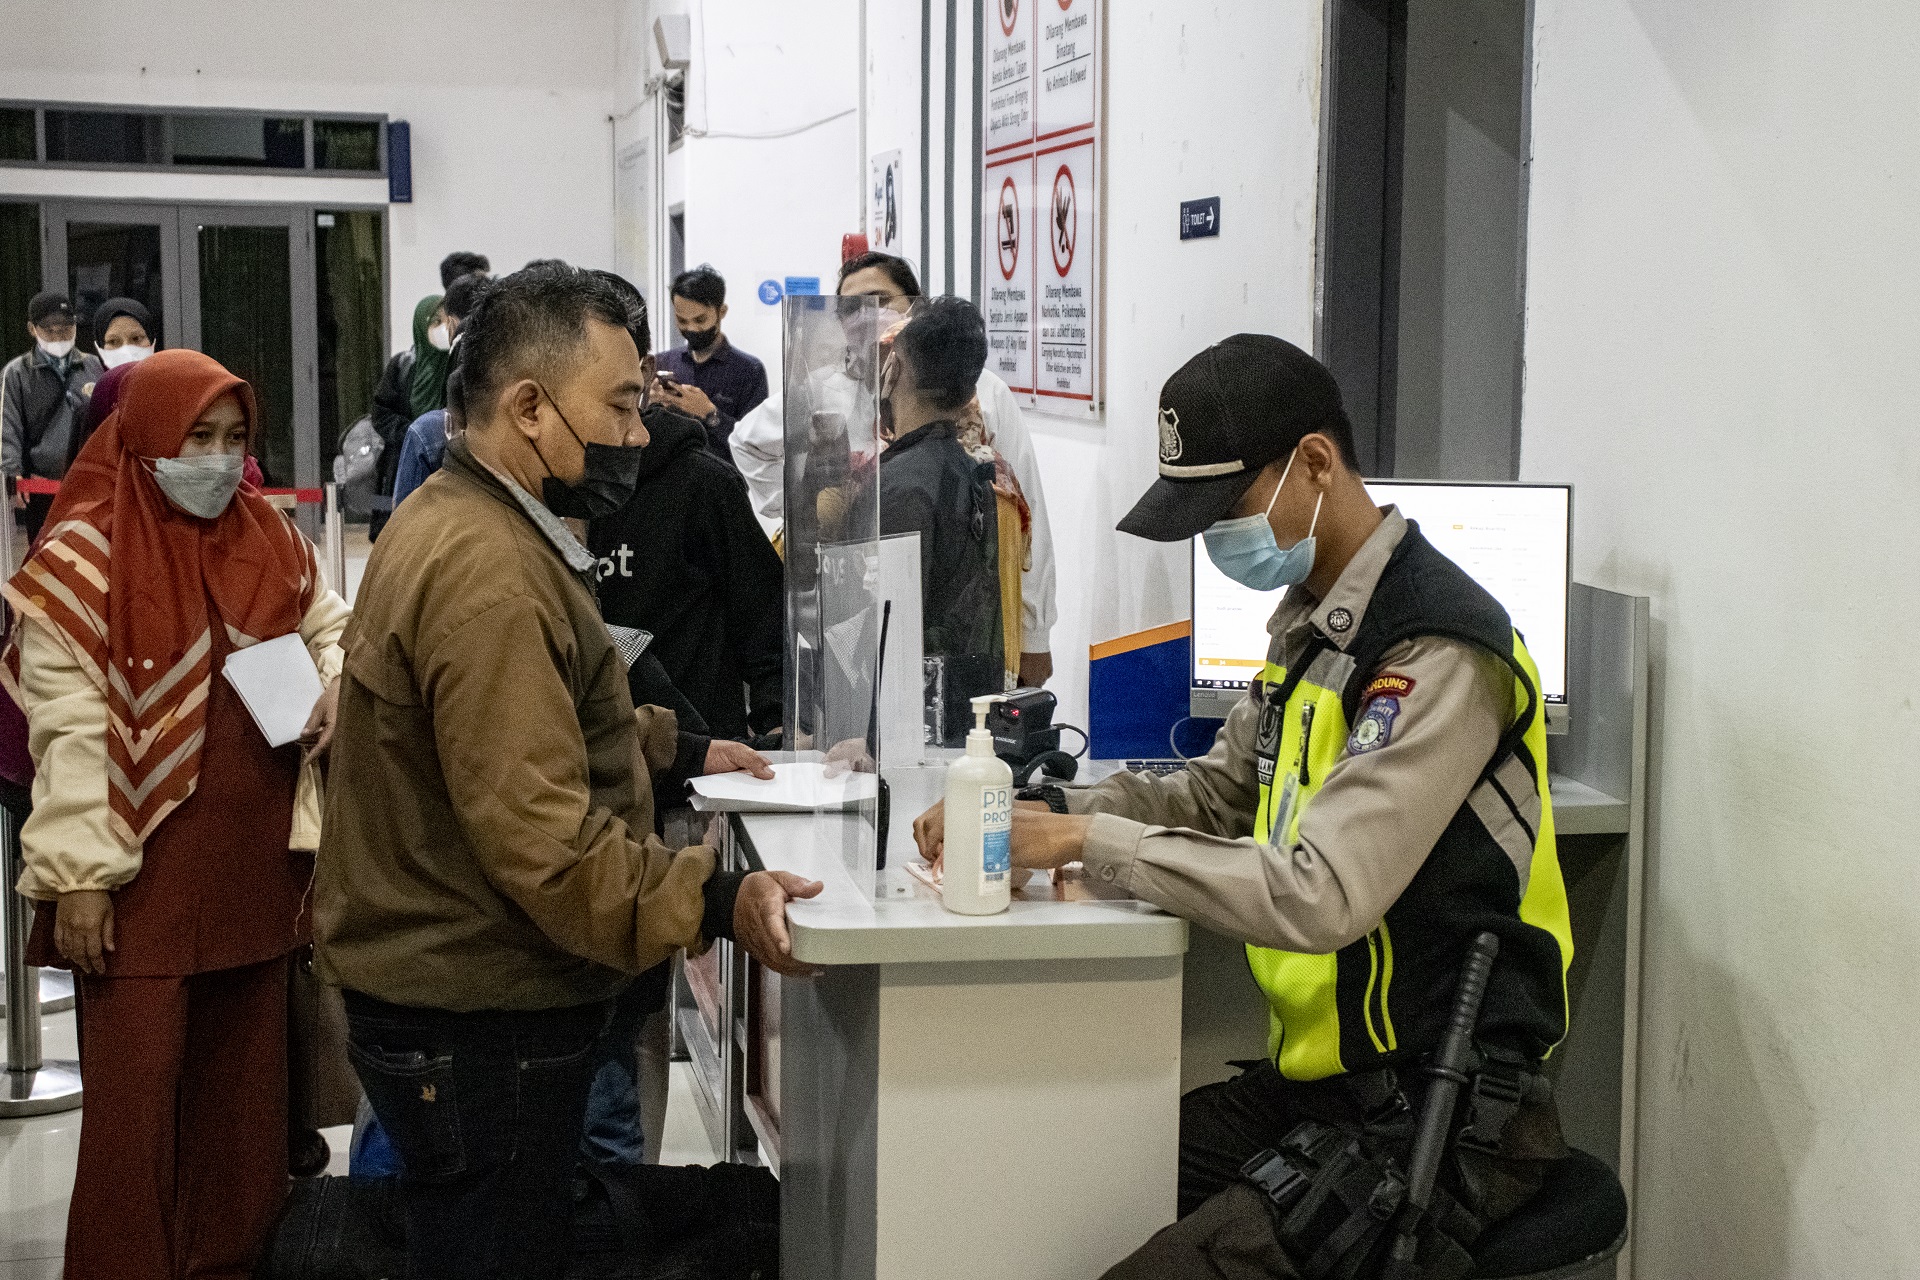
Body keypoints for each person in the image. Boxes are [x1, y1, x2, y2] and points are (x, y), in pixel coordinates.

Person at [913, 335, 1575, 1276]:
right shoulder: (1314, 631)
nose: (1219, 542)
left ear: (1316, 461)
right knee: (1060, 1166)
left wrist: (1082, 839)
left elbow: (1321, 891)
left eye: (1228, 510)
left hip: (1444, 1112)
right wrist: (1036, 805)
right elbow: (1216, 793)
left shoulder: (1434, 649)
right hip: (1323, 1091)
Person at [314, 261, 819, 1278]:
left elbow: (513, 727)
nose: (641, 432)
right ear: (531, 406)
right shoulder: (490, 569)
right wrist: (720, 898)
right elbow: (541, 838)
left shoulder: (465, 513)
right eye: (622, 405)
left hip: (455, 992)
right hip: (476, 1011)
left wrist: (673, 747)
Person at [5, 348, 351, 1276]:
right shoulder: (80, 556)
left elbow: (330, 623)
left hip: (255, 867)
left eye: (235, 438)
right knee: (136, 1123)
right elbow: (70, 735)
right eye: (198, 436)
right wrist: (78, 880)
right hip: (137, 881)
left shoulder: (268, 534)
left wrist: (337, 683)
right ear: (146, 435)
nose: (218, 457)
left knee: (243, 1120)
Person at [733, 252, 1058, 687]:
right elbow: (747, 442)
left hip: (969, 599)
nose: (866, 315)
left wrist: (1035, 634)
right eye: (850, 308)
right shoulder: (823, 390)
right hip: (864, 602)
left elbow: (1024, 509)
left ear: (914, 305)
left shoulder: (980, 391)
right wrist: (803, 508)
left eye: (880, 299)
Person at [591, 271, 785, 745]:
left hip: (702, 752)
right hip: (591, 750)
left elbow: (760, 611)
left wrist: (773, 715)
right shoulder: (541, 491)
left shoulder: (703, 484)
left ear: (641, 371)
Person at [849, 297, 1003, 739]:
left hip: (901, 727)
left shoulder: (901, 485)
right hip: (954, 718)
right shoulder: (968, 469)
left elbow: (885, 631)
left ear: (892, 368)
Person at [3, 291, 104, 543]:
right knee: (44, 559)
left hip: (88, 484)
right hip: (40, 486)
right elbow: (8, 425)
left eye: (66, 329)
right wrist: (12, 472)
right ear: (32, 328)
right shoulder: (16, 374)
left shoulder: (93, 366)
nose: (59, 336)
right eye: (50, 330)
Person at [653, 264, 769, 464]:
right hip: (669, 481)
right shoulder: (662, 362)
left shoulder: (749, 371)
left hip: (723, 486)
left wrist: (709, 414)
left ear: (721, 312)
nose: (691, 328)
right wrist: (647, 406)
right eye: (681, 320)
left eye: (700, 319)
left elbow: (756, 446)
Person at [92, 296, 157, 370]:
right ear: (99, 346)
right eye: (113, 341)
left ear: (152, 341)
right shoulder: (91, 380)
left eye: (136, 338)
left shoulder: (169, 380)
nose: (127, 352)